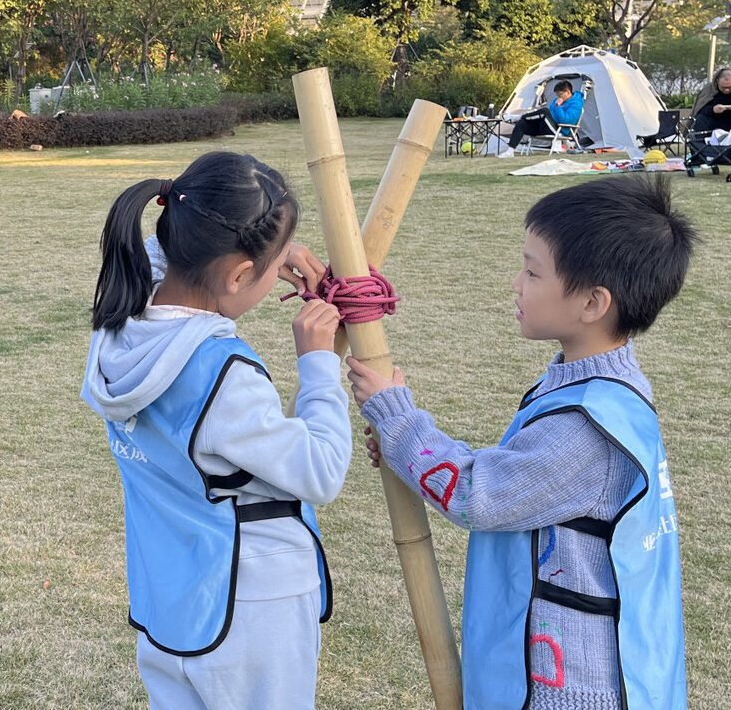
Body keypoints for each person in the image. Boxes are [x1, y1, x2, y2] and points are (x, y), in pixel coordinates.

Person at [345, 176, 698, 710]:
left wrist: (398, 419)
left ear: (593, 303)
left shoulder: (588, 428)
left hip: (571, 689)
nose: (516, 283)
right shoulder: (599, 388)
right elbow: (519, 474)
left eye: (533, 272)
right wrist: (408, 453)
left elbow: (478, 494)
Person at [80, 151, 351, 709]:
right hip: (251, 604)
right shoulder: (222, 374)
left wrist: (274, 248)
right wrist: (319, 365)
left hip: (173, 595)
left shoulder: (122, 322)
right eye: (274, 267)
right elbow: (320, 471)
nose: (282, 271)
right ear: (239, 274)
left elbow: (169, 253)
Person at [506, 80, 588, 152]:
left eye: (560, 94)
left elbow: (565, 120)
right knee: (522, 123)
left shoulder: (576, 104)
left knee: (544, 111)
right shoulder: (558, 100)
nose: (558, 97)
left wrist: (558, 107)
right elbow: (552, 113)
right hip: (547, 125)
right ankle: (510, 150)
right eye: (557, 95)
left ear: (567, 92)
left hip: (560, 130)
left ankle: (519, 117)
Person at [691, 68, 731, 133]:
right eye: (723, 87)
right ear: (717, 81)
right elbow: (699, 110)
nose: (727, 90)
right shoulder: (709, 89)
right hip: (713, 122)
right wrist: (712, 109)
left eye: (730, 87)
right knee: (701, 119)